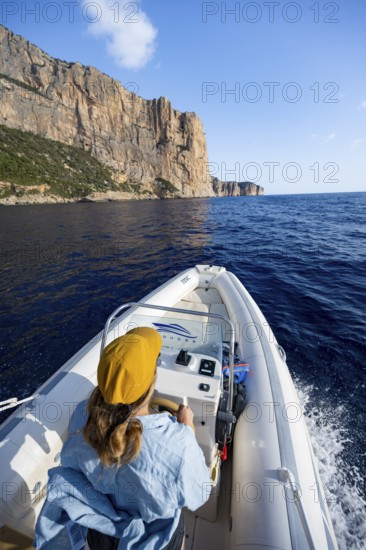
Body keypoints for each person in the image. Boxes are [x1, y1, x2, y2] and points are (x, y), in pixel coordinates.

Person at [35, 327, 211, 550]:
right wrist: (187, 428)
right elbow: (200, 491)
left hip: (99, 531)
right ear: (152, 380)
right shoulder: (178, 446)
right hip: (151, 540)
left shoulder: (82, 414)